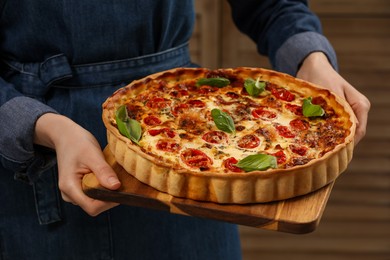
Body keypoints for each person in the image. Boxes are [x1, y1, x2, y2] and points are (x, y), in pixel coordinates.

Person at [0, 1, 370, 259]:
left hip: (195, 181)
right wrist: (43, 126)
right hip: (40, 150)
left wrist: (311, 58)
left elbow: (271, 4)